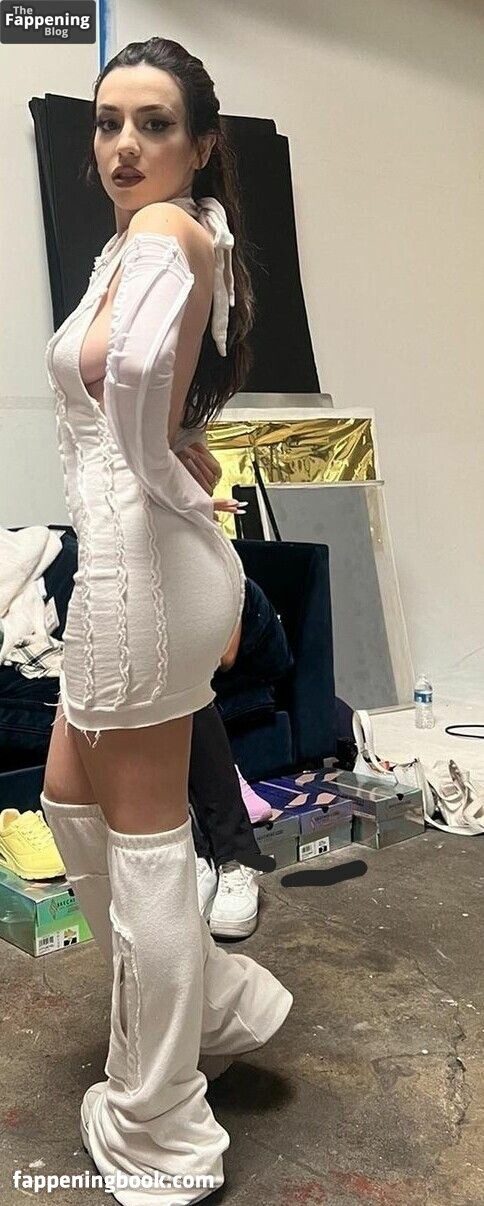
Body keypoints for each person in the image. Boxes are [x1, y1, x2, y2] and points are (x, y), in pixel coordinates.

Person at [39, 35, 292, 1206]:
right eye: (108, 122)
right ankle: (211, 1005)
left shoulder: (161, 232)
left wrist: (162, 481)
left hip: (142, 570)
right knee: (68, 799)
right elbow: (165, 398)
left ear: (197, 145)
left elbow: (136, 382)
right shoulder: (179, 237)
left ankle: (160, 1124)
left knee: (141, 845)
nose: (124, 144)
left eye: (152, 124)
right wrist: (180, 462)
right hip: (135, 564)